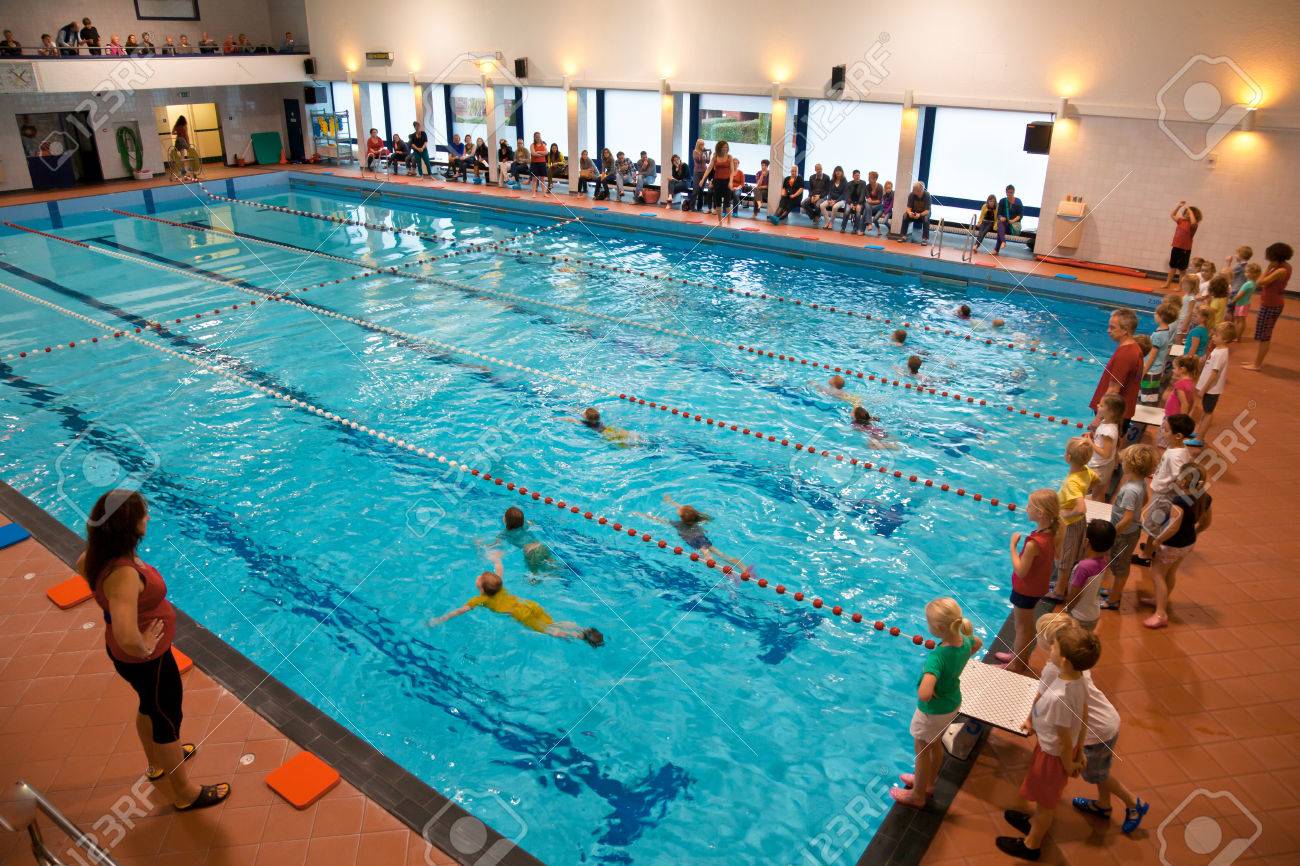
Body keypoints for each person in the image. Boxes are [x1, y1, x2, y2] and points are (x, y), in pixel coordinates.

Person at [78, 490, 232, 812]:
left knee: (149, 706)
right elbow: (125, 632)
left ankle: (157, 764)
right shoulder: (122, 574)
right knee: (167, 719)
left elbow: (99, 590)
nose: (148, 517)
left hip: (132, 661)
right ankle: (184, 793)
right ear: (129, 526)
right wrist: (143, 644)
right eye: (143, 514)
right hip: (148, 661)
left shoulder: (96, 556)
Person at [1023, 616, 1148, 835]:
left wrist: (1030, 720)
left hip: (1095, 730)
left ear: (1053, 646)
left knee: (1096, 773)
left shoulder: (1054, 669)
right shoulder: (1075, 664)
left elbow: (1040, 698)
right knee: (1098, 770)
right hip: (1105, 721)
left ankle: (1133, 803)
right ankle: (1103, 805)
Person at [997, 624, 1100, 860]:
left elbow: (1063, 740)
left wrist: (1069, 764)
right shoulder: (1078, 679)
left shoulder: (1059, 698)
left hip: (1054, 756)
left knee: (1046, 803)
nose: (1050, 647)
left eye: (1054, 646)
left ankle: (1032, 844)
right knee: (1044, 794)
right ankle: (1034, 821)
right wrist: (1080, 750)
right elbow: (1083, 715)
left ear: (1063, 660)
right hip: (1057, 749)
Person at [890, 597, 981, 808]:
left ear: (938, 628)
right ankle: (928, 783)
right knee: (935, 744)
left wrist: (927, 681)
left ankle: (917, 795)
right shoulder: (964, 640)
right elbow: (978, 643)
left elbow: (924, 694)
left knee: (921, 749)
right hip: (952, 704)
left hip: (933, 711)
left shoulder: (937, 657)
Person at [431, 549, 604, 646]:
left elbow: (461, 610)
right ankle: (581, 628)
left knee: (549, 630)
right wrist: (496, 558)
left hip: (522, 614)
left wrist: (441, 618)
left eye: (479, 578)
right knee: (552, 622)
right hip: (530, 605)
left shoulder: (479, 600)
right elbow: (499, 570)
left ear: (481, 588)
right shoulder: (499, 585)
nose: (477, 578)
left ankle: (579, 636)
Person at [1141, 458, 1212, 628]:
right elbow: (1206, 522)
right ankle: (1160, 600)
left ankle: (1160, 613)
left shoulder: (1179, 502)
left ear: (1184, 481)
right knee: (1170, 573)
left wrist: (1158, 540)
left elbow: (1173, 527)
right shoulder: (1205, 498)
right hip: (1188, 544)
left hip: (1172, 544)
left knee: (1157, 574)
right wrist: (1194, 532)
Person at [995, 489, 1058, 675]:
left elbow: (1021, 570)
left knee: (1022, 627)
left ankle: (1017, 664)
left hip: (1025, 589)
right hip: (1037, 587)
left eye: (1030, 506)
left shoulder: (1033, 543)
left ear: (1040, 513)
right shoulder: (1051, 533)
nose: (1026, 508)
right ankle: (1018, 655)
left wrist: (1012, 547)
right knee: (1026, 625)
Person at [1104, 444, 1158, 610]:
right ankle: (1114, 591)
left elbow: (1126, 519)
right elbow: (1145, 500)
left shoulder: (1130, 489)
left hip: (1123, 534)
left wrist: (1112, 534)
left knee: (1120, 567)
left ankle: (1113, 600)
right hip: (1131, 531)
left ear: (1129, 465)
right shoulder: (1140, 483)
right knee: (1120, 563)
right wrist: (1136, 514)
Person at [638, 495, 750, 573]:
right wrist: (670, 501)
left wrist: (642, 515)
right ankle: (743, 567)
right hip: (702, 538)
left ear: (682, 517)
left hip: (696, 542)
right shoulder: (696, 517)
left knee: (709, 560)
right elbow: (682, 508)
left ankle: (726, 573)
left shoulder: (677, 524)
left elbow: (659, 520)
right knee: (721, 554)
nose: (679, 509)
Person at [1047, 438, 1098, 604]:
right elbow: (1098, 480)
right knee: (1070, 555)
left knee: (1064, 559)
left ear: (1068, 457)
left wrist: (1063, 513)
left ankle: (1059, 591)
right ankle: (1062, 583)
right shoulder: (1086, 471)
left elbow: (1081, 508)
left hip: (1070, 524)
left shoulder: (1072, 482)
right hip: (1079, 523)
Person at [1089, 308, 1143, 432]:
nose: (1108, 331)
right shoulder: (1134, 348)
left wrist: (1098, 418)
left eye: (1113, 327)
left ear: (1125, 330)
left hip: (1111, 415)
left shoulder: (1125, 354)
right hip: (1119, 412)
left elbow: (1113, 390)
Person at [1243, 242, 1292, 371]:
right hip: (1268, 304)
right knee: (1262, 335)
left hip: (1272, 305)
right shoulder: (1281, 267)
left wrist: (1269, 268)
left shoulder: (1282, 270)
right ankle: (1257, 361)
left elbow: (1260, 282)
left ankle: (1257, 364)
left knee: (1265, 336)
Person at [1065, 520, 1115, 632]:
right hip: (1093, 613)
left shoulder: (1083, 567)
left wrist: (1068, 609)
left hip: (1078, 616)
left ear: (1086, 541)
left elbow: (1074, 595)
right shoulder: (1104, 561)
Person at [493, 507, 555, 578]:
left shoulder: (505, 533)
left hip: (530, 553)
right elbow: (532, 522)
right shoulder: (524, 524)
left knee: (534, 574)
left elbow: (497, 543)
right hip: (541, 546)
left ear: (506, 521)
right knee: (552, 563)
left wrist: (483, 545)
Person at [1195, 322, 1233, 438]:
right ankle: (1198, 431)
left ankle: (1200, 437)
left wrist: (1203, 389)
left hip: (1212, 389)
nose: (1213, 337)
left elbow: (1213, 374)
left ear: (1225, 339)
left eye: (1216, 335)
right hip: (1210, 389)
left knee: (1208, 413)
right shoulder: (1219, 350)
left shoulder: (1220, 354)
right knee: (1205, 410)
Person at [1086, 394, 1123, 497]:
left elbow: (1106, 454)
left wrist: (1090, 443)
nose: (1098, 406)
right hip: (1103, 465)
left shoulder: (1108, 431)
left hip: (1099, 467)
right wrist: (1093, 436)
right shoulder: (1106, 422)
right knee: (1098, 494)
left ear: (1111, 412)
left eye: (1101, 406)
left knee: (1094, 494)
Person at [1164, 200, 1202, 287]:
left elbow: (1193, 222)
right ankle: (1167, 284)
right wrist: (1179, 206)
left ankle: (1180, 286)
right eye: (1186, 212)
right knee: (1172, 266)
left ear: (1194, 216)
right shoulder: (1181, 221)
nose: (1187, 214)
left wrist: (1190, 210)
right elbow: (1172, 215)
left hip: (1185, 249)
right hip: (1176, 247)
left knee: (1182, 269)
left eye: (1189, 213)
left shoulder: (1194, 225)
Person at [564, 407, 635, 446]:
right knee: (631, 438)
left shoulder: (583, 422)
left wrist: (554, 418)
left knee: (627, 445)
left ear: (586, 417)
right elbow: (595, 411)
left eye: (584, 412)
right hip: (610, 429)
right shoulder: (596, 418)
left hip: (606, 435)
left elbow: (570, 419)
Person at [702, 141, 733, 219]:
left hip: (726, 181)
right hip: (717, 182)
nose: (725, 149)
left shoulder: (729, 157)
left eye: (726, 147)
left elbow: (732, 171)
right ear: (719, 148)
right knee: (718, 202)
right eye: (723, 147)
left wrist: (731, 182)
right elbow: (709, 169)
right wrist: (703, 179)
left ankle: (729, 220)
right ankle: (720, 221)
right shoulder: (715, 157)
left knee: (727, 202)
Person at [1231, 262, 1260, 341]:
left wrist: (1233, 300)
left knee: (1240, 321)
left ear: (1253, 274)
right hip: (1244, 303)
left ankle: (1237, 337)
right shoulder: (1253, 283)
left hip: (1241, 304)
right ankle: (1237, 336)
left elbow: (1240, 295)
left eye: (1247, 272)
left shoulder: (1247, 284)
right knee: (1239, 320)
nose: (1245, 273)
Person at [994, 184, 1023, 254]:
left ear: (1014, 193)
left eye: (1011, 193)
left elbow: (1020, 215)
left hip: (1013, 227)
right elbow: (998, 214)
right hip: (1005, 225)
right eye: (1008, 192)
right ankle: (1003, 242)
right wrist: (1001, 218)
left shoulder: (1018, 201)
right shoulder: (1002, 201)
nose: (1009, 194)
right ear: (1006, 192)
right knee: (1000, 223)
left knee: (1000, 230)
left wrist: (1013, 221)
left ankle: (996, 250)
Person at [171, 116, 196, 180]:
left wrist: (178, 133)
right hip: (182, 140)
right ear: (184, 121)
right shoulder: (184, 126)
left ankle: (183, 169)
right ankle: (184, 169)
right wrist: (188, 143)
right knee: (186, 154)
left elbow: (172, 132)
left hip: (177, 140)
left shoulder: (176, 125)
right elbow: (186, 135)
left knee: (181, 155)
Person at [864, 171, 885, 235]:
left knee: (874, 218)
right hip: (870, 206)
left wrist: (871, 201)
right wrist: (869, 201)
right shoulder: (867, 186)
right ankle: (868, 224)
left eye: (870, 178)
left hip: (878, 206)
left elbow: (879, 201)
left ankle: (875, 227)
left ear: (875, 179)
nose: (868, 179)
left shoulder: (880, 187)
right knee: (867, 206)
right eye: (868, 178)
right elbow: (868, 198)